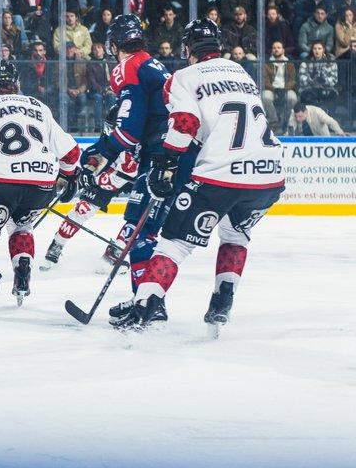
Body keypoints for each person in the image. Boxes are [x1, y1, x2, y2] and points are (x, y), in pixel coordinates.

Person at [111, 19, 285, 334]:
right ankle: (222, 302)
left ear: (188, 48)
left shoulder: (185, 76)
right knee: (235, 236)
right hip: (269, 174)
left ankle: (144, 307)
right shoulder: (241, 72)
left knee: (173, 245)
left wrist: (166, 163)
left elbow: (185, 123)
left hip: (220, 174)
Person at [78, 13, 192, 325]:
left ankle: (145, 305)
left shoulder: (128, 66)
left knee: (137, 230)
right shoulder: (154, 64)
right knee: (154, 233)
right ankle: (150, 300)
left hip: (158, 156)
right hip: (178, 155)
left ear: (114, 44)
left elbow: (128, 132)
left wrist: (99, 151)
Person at [0, 61, 80, 316]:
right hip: (43, 186)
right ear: (17, 84)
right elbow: (71, 153)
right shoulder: (38, 105)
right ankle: (22, 270)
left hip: (2, 183)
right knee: (21, 226)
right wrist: (68, 176)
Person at [41, 101, 139, 272]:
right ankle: (57, 245)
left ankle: (117, 249)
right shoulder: (109, 139)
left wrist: (94, 180)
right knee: (83, 209)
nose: (111, 131)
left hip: (136, 175)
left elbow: (114, 180)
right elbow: (94, 157)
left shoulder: (135, 146)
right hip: (114, 173)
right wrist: (88, 171)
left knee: (140, 214)